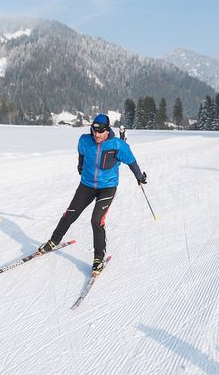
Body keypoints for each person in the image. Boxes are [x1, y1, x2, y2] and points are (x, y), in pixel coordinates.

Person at [37, 114, 147, 274]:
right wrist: (80, 164)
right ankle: (53, 241)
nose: (96, 135)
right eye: (94, 131)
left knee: (97, 220)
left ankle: (98, 258)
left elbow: (131, 161)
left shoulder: (117, 145)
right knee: (70, 215)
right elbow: (81, 153)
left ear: (107, 130)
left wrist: (139, 176)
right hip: (87, 185)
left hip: (107, 187)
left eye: (100, 132)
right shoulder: (84, 140)